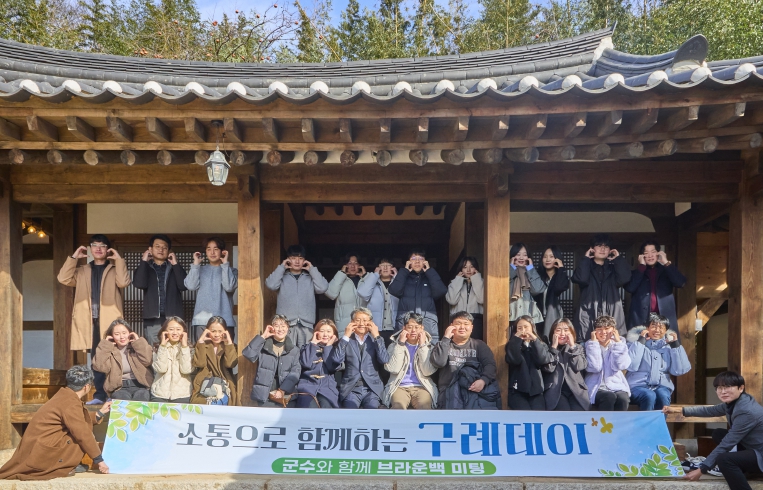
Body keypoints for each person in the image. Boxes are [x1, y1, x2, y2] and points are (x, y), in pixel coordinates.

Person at [0, 366, 112, 480]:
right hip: (42, 453)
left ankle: (68, 463)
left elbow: (77, 420)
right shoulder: (70, 402)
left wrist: (100, 413)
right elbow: (82, 433)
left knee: (80, 431)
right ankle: (62, 466)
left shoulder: (64, 396)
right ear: (86, 386)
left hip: (39, 448)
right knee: (82, 435)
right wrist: (99, 461)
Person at [57, 234, 130, 405]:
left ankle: (114, 394)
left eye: (102, 245)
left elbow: (123, 282)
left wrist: (119, 261)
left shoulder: (113, 269)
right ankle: (99, 395)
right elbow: (63, 278)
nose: (98, 248)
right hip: (89, 321)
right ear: (90, 249)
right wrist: (74, 258)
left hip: (110, 321)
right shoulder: (82, 270)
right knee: (96, 359)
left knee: (113, 357)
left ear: (108, 249)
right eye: (95, 245)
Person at [664, 371, 763, 490]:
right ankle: (745, 471)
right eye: (719, 388)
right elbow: (709, 411)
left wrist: (702, 469)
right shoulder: (736, 402)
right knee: (719, 433)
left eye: (728, 387)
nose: (723, 391)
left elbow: (727, 443)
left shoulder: (746, 411)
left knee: (724, 459)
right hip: (754, 447)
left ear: (741, 388)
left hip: (760, 452)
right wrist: (679, 410)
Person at [430, 311, 500, 410]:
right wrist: (446, 338)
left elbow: (490, 365)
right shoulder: (443, 345)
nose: (462, 327)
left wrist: (483, 380)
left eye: (466, 324)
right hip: (449, 394)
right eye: (458, 323)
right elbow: (439, 362)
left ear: (471, 327)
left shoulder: (479, 345)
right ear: (451, 326)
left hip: (474, 391)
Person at [265, 244, 329, 347]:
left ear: (305, 260)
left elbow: (323, 287)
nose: (297, 261)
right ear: (288, 259)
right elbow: (270, 285)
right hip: (286, 325)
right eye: (293, 258)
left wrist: (312, 269)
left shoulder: (310, 278)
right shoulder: (282, 277)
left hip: (307, 325)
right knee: (287, 353)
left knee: (306, 354)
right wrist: (282, 267)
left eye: (300, 258)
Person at [325, 307, 389, 409]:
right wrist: (346, 335)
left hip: (372, 389)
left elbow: (384, 359)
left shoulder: (376, 340)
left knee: (372, 410)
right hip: (351, 389)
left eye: (365, 320)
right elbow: (337, 359)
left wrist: (377, 336)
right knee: (350, 412)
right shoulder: (346, 340)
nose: (361, 323)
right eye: (358, 320)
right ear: (352, 322)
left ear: (371, 322)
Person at [572, 234, 631, 341]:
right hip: (588, 312)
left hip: (611, 311)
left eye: (606, 246)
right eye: (599, 246)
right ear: (592, 249)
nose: (603, 249)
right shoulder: (585, 267)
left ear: (610, 250)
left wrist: (618, 259)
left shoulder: (614, 268)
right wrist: (586, 259)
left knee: (613, 344)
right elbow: (581, 279)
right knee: (588, 344)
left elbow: (625, 279)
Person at [626, 313, 691, 411]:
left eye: (661, 327)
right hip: (636, 386)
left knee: (663, 396)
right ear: (647, 328)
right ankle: (646, 422)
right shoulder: (632, 344)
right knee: (649, 395)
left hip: (662, 385)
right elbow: (631, 366)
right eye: (653, 326)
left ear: (666, 330)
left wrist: (675, 346)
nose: (657, 330)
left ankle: (659, 421)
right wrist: (640, 342)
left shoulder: (669, 347)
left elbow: (680, 370)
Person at [133, 234, 188, 347]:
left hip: (173, 318)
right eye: (157, 246)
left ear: (169, 251)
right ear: (150, 249)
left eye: (164, 247)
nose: (161, 250)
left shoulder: (174, 267)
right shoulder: (145, 267)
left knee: (175, 349)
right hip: (152, 318)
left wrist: (175, 264)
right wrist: (144, 261)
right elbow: (139, 283)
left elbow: (184, 286)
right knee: (154, 350)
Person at [625, 239, 686, 339]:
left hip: (664, 318)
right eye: (646, 253)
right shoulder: (637, 272)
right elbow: (630, 288)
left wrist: (666, 262)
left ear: (659, 253)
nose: (650, 255)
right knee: (639, 346)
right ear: (641, 256)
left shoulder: (666, 270)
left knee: (666, 346)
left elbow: (681, 283)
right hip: (641, 318)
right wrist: (641, 266)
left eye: (653, 252)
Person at [185, 236, 238, 343]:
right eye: (209, 249)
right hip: (201, 321)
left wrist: (225, 264)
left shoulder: (231, 271)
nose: (212, 252)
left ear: (222, 251)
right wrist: (195, 265)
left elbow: (229, 287)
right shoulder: (200, 270)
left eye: (216, 249)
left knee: (226, 353)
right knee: (202, 352)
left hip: (225, 320)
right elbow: (190, 286)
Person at [242, 314, 301, 407]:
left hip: (286, 395)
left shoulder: (294, 350)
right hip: (265, 395)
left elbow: (295, 372)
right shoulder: (263, 346)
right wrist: (263, 336)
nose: (280, 329)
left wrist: (283, 390)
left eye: (283, 326)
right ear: (272, 328)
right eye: (276, 326)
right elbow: (248, 354)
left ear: (288, 328)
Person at [389, 249, 447, 343]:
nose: (417, 261)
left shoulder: (429, 277)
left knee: (429, 349)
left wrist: (429, 271)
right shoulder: (404, 276)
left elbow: (441, 291)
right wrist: (404, 271)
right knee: (403, 348)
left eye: (420, 258)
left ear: (425, 262)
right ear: (408, 262)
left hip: (427, 321)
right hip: (406, 321)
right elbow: (394, 290)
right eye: (413, 258)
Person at [383, 312, 438, 410]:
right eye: (410, 327)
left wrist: (422, 346)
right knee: (398, 407)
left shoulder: (429, 347)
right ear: (404, 328)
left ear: (422, 328)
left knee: (425, 407)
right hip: (399, 386)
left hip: (422, 386)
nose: (413, 331)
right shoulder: (393, 345)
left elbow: (427, 371)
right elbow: (393, 369)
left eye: (417, 327)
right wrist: (400, 344)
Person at [92, 319, 153, 401]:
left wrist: (138, 342)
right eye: (117, 334)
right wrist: (105, 345)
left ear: (130, 333)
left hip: (141, 386)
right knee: (123, 401)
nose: (122, 337)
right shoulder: (109, 350)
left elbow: (148, 360)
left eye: (124, 333)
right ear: (112, 336)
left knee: (141, 399)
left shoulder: (137, 347)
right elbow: (99, 367)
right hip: (119, 388)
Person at [505, 315, 553, 410]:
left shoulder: (541, 345)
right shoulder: (512, 345)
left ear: (532, 328)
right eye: (519, 328)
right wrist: (516, 340)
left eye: (526, 327)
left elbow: (542, 360)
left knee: (538, 416)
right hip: (517, 391)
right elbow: (515, 360)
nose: (523, 330)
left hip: (536, 391)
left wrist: (535, 340)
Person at [542, 318, 590, 411]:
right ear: (553, 333)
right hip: (556, 392)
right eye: (558, 330)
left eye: (566, 330)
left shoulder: (578, 348)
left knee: (578, 412)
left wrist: (572, 347)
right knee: (564, 410)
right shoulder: (547, 348)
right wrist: (553, 348)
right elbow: (548, 368)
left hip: (576, 391)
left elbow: (579, 366)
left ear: (572, 332)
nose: (562, 333)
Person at [584, 315, 631, 411]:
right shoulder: (589, 346)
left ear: (614, 330)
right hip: (596, 386)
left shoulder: (620, 345)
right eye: (599, 329)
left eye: (606, 328)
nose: (603, 332)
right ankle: (604, 421)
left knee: (623, 399)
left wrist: (618, 344)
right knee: (609, 397)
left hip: (616, 385)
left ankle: (620, 422)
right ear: (594, 331)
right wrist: (594, 344)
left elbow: (621, 365)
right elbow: (595, 367)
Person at [191, 316, 238, 406]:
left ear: (225, 331)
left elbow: (230, 364)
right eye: (213, 331)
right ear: (207, 331)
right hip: (204, 383)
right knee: (203, 405)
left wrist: (229, 343)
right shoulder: (202, 345)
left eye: (220, 331)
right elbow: (200, 363)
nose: (216, 335)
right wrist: (200, 341)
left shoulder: (230, 346)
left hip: (224, 383)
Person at [296, 319, 340, 408]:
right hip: (307, 387)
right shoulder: (307, 347)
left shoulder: (337, 351)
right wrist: (313, 344)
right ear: (316, 333)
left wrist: (328, 347)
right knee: (309, 409)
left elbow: (331, 367)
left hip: (327, 388)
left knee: (327, 408)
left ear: (334, 334)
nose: (325, 334)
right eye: (322, 331)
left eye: (329, 331)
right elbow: (306, 363)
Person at [150, 316, 193, 403]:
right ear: (165, 331)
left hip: (183, 394)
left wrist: (184, 347)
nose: (175, 332)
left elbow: (186, 370)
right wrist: (162, 346)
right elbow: (161, 369)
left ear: (184, 332)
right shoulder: (157, 348)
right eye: (171, 329)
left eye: (178, 329)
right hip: (159, 394)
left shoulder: (190, 349)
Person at [357, 258, 399, 345]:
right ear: (378, 268)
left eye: (388, 265)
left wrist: (397, 277)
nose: (385, 268)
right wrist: (375, 275)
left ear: (393, 268)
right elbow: (362, 293)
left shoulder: (397, 283)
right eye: (382, 265)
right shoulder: (372, 282)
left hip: (395, 328)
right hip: (375, 328)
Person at [534, 246, 570, 340]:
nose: (548, 259)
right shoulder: (538, 276)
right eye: (545, 256)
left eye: (551, 256)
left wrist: (561, 268)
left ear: (557, 259)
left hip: (555, 316)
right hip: (538, 316)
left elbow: (559, 287)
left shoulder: (561, 276)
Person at [445, 256, 485, 341]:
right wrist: (458, 280)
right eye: (465, 267)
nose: (468, 270)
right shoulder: (454, 282)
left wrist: (477, 279)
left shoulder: (482, 282)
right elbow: (452, 300)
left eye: (472, 267)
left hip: (476, 319)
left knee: (475, 345)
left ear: (476, 268)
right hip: (458, 319)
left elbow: (481, 299)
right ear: (461, 269)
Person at [509, 243, 546, 326]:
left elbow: (538, 289)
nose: (521, 258)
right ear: (512, 256)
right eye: (518, 254)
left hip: (529, 314)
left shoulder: (531, 272)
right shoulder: (507, 271)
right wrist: (511, 268)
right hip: (511, 314)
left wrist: (530, 269)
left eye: (525, 255)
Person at [326, 253, 365, 331]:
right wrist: (341, 274)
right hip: (344, 325)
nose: (353, 266)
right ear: (345, 265)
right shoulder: (340, 279)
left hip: (362, 325)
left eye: (356, 263)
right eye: (349, 263)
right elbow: (330, 294)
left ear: (360, 266)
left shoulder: (364, 281)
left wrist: (365, 276)